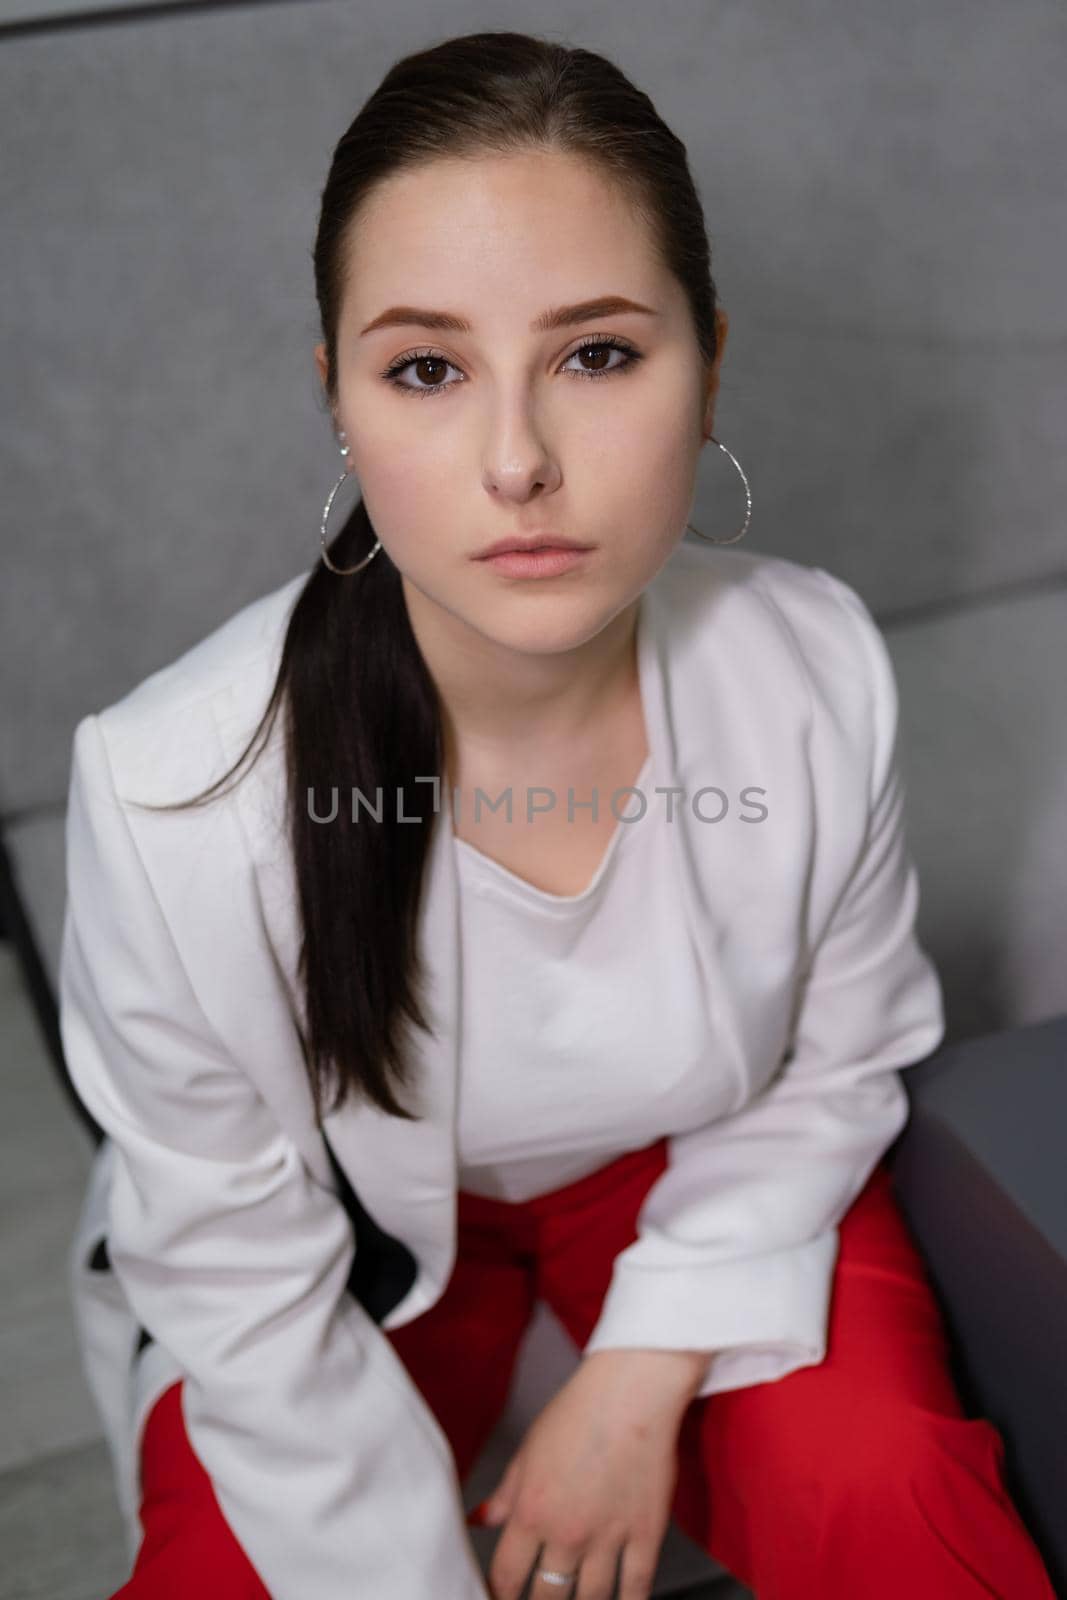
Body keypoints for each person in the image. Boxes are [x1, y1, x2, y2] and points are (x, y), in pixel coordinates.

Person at [60, 27, 1057, 1600]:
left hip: (706, 1171)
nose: (517, 461)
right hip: (337, 1264)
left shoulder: (813, 669)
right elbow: (236, 1270)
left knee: (891, 1499)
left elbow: (846, 1057)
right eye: (428, 369)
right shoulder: (168, 791)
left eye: (596, 354)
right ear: (337, 399)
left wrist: (644, 1365)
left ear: (706, 363)